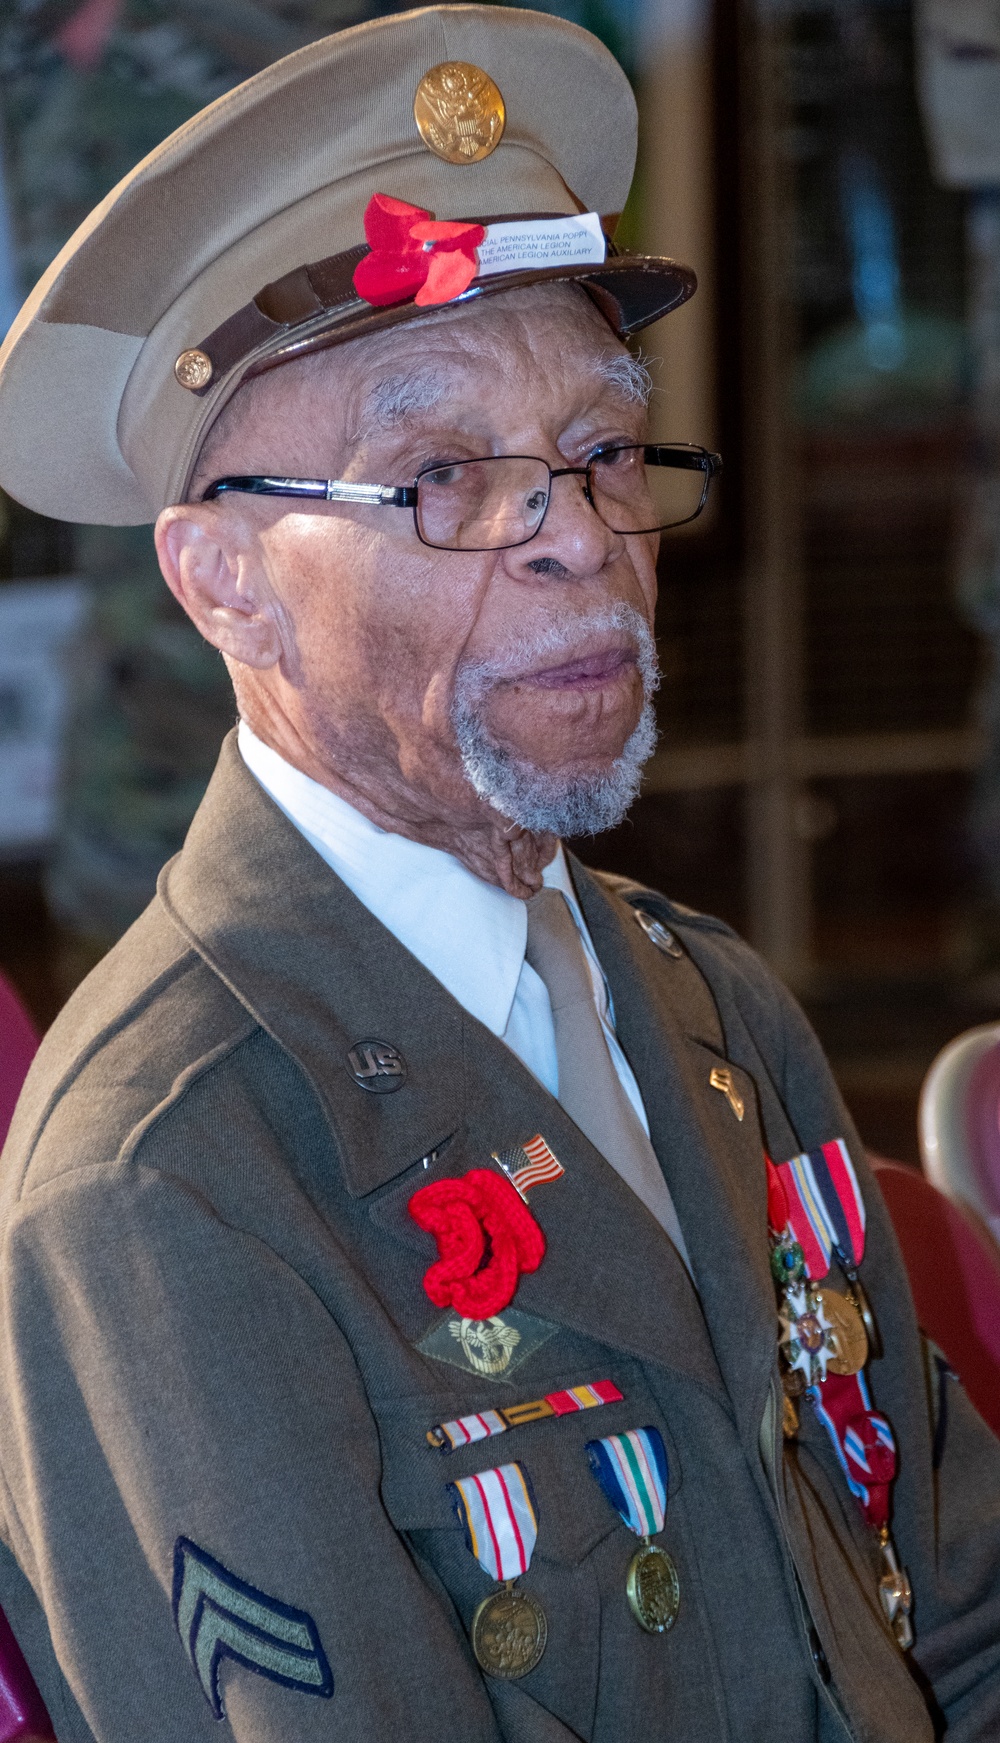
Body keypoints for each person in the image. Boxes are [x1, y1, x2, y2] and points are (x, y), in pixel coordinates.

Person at [0, 8, 998, 1739]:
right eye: (442, 476)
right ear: (225, 581)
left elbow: (955, 1610)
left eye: (605, 453)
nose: (578, 539)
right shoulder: (168, 1181)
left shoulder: (706, 1002)